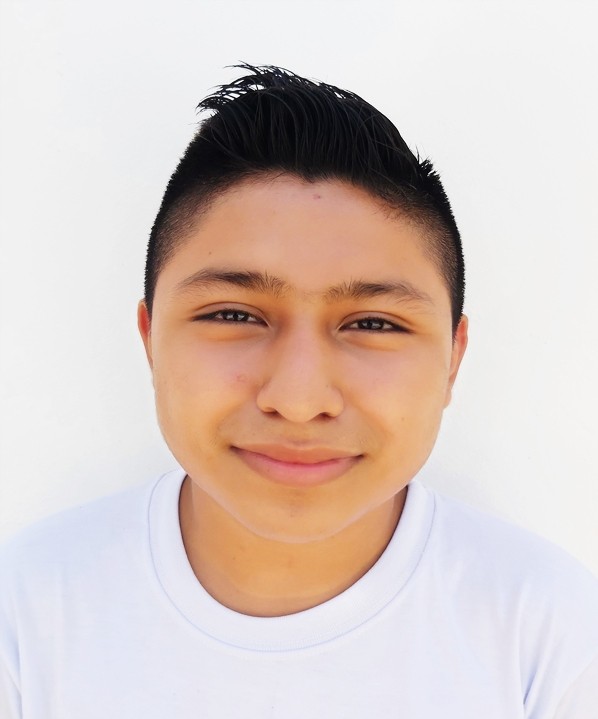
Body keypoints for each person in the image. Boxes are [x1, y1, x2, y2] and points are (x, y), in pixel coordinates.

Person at [1, 64, 597, 718]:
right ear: (150, 338)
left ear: (453, 358)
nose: (299, 398)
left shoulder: (553, 634)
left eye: (373, 323)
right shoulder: (26, 616)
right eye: (234, 314)